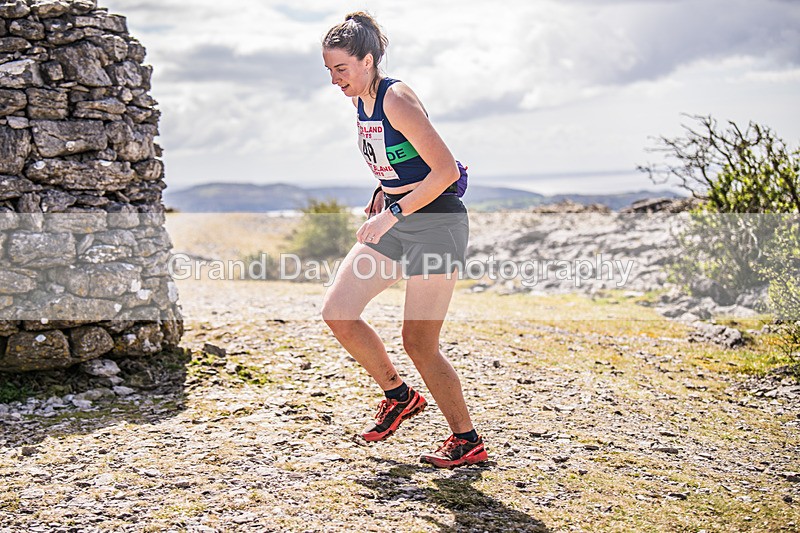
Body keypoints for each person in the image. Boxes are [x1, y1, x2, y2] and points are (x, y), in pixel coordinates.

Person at [320, 12, 487, 468]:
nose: (335, 80)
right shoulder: (360, 100)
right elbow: (397, 162)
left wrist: (392, 212)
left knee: (418, 341)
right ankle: (399, 397)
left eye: (341, 69)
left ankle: (467, 440)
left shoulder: (396, 98)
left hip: (436, 225)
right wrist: (383, 193)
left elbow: (445, 172)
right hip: (397, 218)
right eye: (329, 70)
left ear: (368, 60)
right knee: (338, 312)